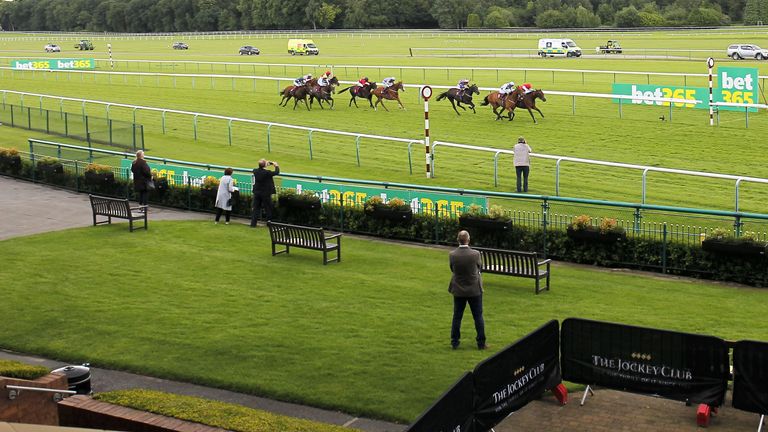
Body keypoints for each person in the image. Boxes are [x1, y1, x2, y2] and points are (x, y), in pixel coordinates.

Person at [449, 230, 486, 350]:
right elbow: (479, 266)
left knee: (457, 316)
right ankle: (481, 343)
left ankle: (455, 341)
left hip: (459, 289)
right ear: (468, 240)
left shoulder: (453, 254)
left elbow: (452, 269)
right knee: (478, 316)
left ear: (458, 240)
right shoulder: (475, 254)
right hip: (474, 289)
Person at [250, 159, 280, 228]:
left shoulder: (255, 171)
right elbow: (276, 172)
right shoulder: (267, 173)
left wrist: (266, 164)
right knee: (268, 208)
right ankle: (269, 223)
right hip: (265, 193)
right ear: (265, 165)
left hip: (257, 192)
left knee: (256, 208)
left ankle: (253, 224)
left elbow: (259, 168)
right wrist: (276, 165)